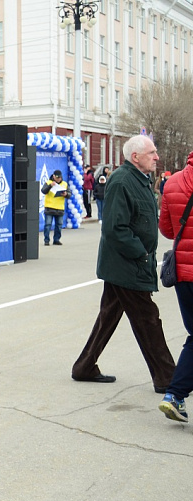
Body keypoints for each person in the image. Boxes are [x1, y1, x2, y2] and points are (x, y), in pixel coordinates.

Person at [71, 135, 176, 393]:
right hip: (127, 266)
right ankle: (170, 379)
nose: (157, 157)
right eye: (152, 152)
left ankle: (84, 366)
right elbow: (115, 229)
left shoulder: (140, 180)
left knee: (108, 316)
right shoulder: (122, 181)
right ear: (135, 157)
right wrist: (141, 254)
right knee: (148, 320)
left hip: (129, 264)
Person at [157, 152, 193, 422]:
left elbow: (168, 230)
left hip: (183, 271)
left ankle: (174, 396)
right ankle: (175, 394)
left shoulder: (172, 183)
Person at [40, 170, 71, 246]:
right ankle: (46, 240)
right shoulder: (48, 182)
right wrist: (50, 185)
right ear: (53, 176)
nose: (58, 179)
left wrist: (66, 194)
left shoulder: (64, 184)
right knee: (48, 224)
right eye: (57, 178)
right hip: (49, 207)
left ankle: (56, 239)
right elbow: (43, 191)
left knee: (59, 225)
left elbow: (69, 194)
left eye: (59, 178)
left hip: (59, 207)